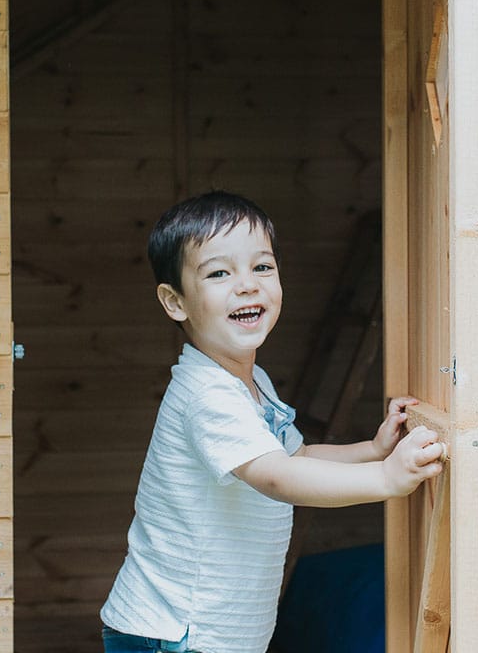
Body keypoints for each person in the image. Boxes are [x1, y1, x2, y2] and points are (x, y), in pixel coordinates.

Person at [100, 191, 445, 653]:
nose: (247, 285)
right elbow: (278, 477)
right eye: (219, 273)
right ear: (175, 302)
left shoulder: (250, 378)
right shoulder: (208, 394)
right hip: (176, 633)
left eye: (262, 267)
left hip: (211, 634)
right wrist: (386, 477)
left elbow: (294, 455)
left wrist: (371, 449)